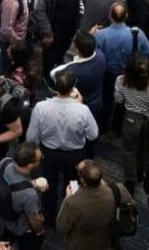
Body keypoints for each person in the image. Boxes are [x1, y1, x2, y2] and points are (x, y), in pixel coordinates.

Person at [27, 72, 98, 221]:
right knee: (73, 184)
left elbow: (31, 137)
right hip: (75, 154)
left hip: (49, 153)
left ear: (55, 88)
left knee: (48, 183)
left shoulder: (40, 108)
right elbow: (93, 135)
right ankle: (69, 213)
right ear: (73, 88)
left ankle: (49, 215)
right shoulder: (82, 110)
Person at [114, 53, 149, 195]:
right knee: (146, 147)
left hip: (130, 121)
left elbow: (118, 100)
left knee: (129, 152)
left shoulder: (121, 80)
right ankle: (141, 171)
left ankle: (130, 181)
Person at [56, 159, 132, 248]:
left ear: (82, 180)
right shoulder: (118, 190)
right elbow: (129, 205)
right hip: (106, 241)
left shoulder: (72, 202)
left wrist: (67, 198)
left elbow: (61, 227)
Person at [31, 0, 84, 81]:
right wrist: (48, 32)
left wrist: (80, 17)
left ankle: (59, 64)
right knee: (49, 55)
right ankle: (46, 74)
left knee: (61, 51)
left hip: (69, 30)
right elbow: (39, 10)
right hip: (53, 31)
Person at [0, 142, 44, 248]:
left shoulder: (4, 162)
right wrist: (39, 230)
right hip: (22, 228)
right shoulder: (29, 194)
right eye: (39, 159)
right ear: (30, 165)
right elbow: (33, 220)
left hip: (5, 215)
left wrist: (30, 183)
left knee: (5, 239)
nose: (41, 159)